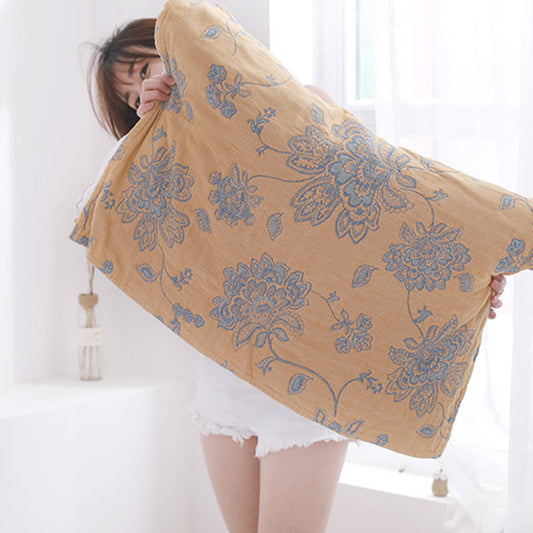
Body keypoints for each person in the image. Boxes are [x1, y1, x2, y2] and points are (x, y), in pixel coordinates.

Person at [85, 17, 507, 533]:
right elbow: (100, 212)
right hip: (222, 385)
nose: (148, 91)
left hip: (304, 385)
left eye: (148, 70)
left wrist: (464, 272)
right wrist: (151, 131)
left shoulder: (295, 104)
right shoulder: (159, 173)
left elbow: (385, 214)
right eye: (133, 99)